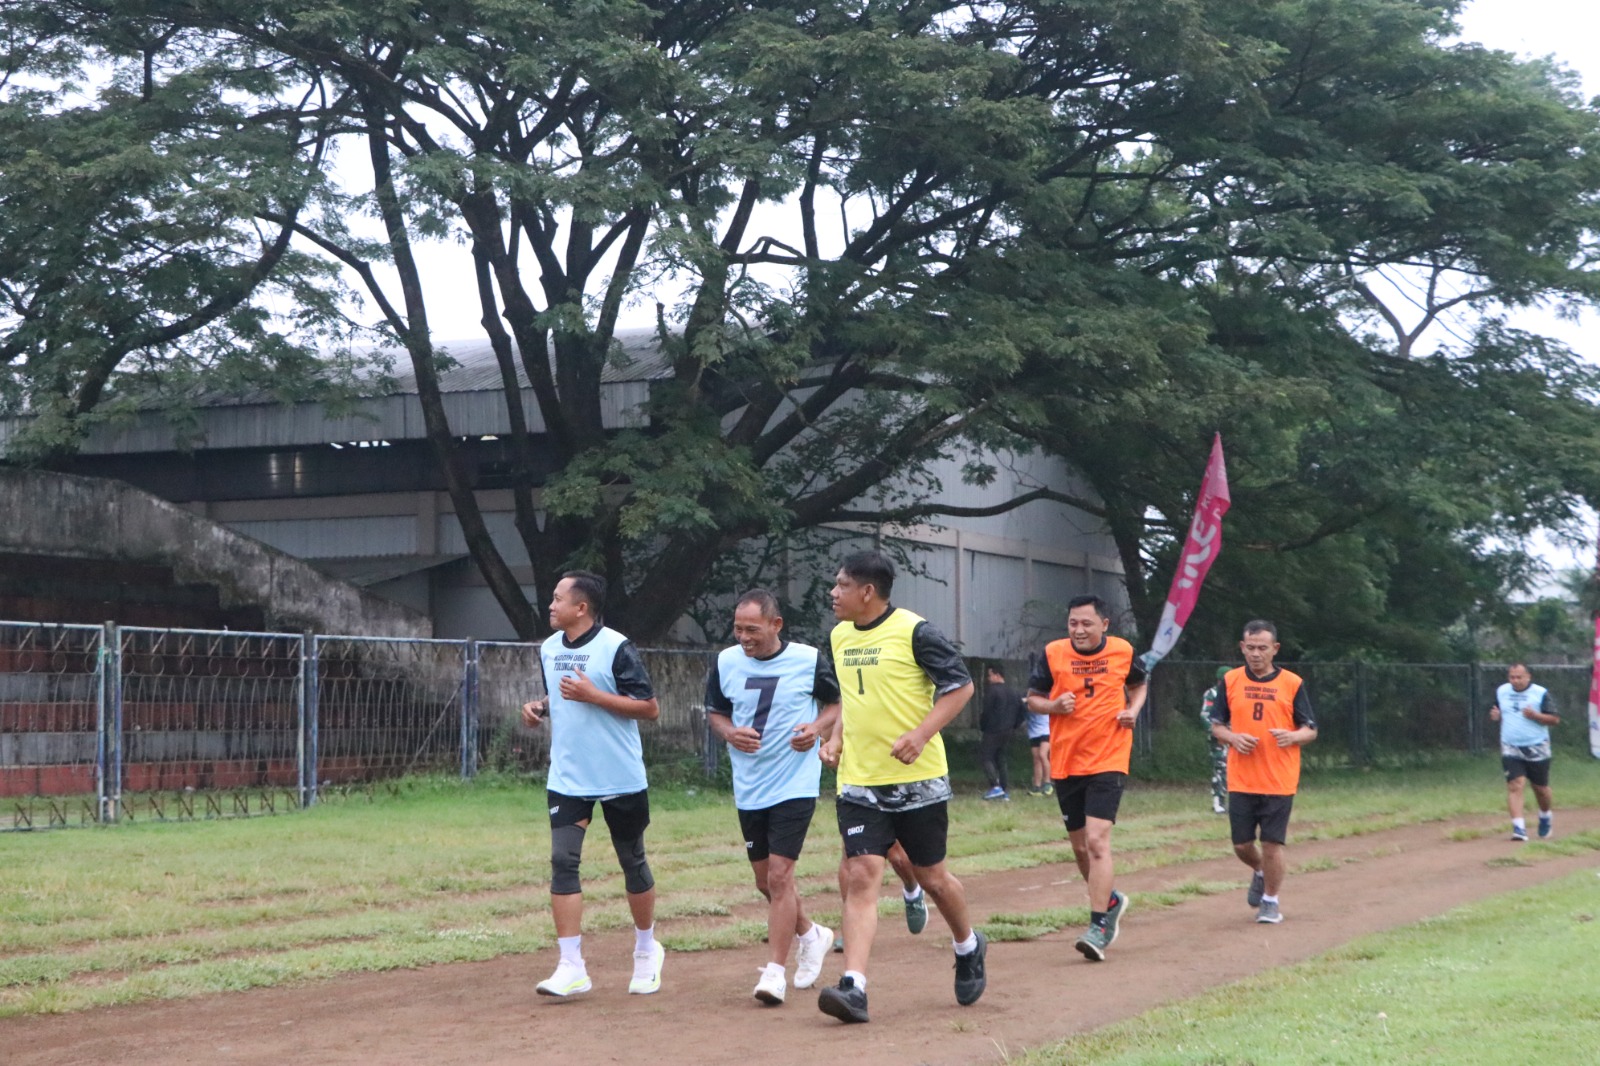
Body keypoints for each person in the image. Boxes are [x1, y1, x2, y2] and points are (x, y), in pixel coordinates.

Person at [816, 550, 987, 1023]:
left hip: (918, 781)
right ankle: (854, 987)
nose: (833, 593)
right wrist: (835, 739)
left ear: (867, 591)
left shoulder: (916, 632)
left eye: (841, 585)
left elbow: (961, 687)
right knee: (861, 874)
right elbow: (853, 698)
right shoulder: (839, 636)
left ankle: (968, 945)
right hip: (859, 783)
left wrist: (921, 734)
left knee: (932, 878)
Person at [520, 570, 665, 998]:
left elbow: (649, 708)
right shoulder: (549, 648)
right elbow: (561, 695)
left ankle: (646, 950)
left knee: (632, 861)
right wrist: (539, 707)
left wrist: (594, 696)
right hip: (568, 777)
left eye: (558, 598)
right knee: (563, 861)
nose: (550, 605)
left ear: (581, 608)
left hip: (619, 776)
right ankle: (571, 966)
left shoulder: (616, 647)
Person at [705, 589, 841, 1005]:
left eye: (752, 629)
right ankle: (811, 934)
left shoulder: (807, 659)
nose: (743, 637)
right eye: (738, 629)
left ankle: (774, 974)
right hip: (750, 786)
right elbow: (715, 712)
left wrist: (815, 729)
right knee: (765, 881)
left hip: (794, 783)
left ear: (776, 624)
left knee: (781, 876)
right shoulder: (726, 662)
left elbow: (836, 704)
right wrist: (730, 733)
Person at [1026, 594, 1147, 961]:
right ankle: (1110, 901)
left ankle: (1098, 925)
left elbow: (1139, 684)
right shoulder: (1053, 653)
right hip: (1067, 761)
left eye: (1086, 623)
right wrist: (1053, 705)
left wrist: (1133, 710)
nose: (1078, 630)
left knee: (1096, 841)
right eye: (1073, 623)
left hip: (1109, 757)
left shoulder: (1123, 651)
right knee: (1080, 849)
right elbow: (1032, 699)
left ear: (1104, 625)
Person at [1208, 620, 1317, 924]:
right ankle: (1259, 870)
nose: (1256, 654)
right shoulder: (1230, 681)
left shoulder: (1292, 683)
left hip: (1279, 779)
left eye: (1262, 648)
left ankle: (1270, 901)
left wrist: (1292, 736)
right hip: (1242, 778)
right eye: (1251, 648)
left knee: (1271, 844)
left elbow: (1310, 729)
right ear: (1242, 647)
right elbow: (1217, 726)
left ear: (1275, 649)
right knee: (1242, 845)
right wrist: (1233, 738)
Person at [1490, 662, 1559, 842]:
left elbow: (1554, 719)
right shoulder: (1502, 691)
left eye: (1519, 677)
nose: (1515, 680)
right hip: (1510, 746)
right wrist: (1496, 716)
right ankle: (1519, 828)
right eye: (1512, 677)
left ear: (1528, 677)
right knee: (1515, 784)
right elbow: (1499, 710)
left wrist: (1536, 716)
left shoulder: (1540, 693)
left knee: (1540, 788)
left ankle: (1545, 815)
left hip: (1537, 746)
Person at [979, 665, 1023, 800]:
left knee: (986, 757)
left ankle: (995, 786)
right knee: (1001, 758)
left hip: (993, 729)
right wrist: (1014, 725)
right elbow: (1022, 711)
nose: (988, 678)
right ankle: (1004, 789)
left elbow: (986, 711)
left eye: (990, 675)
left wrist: (983, 725)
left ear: (997, 675)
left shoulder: (992, 691)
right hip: (1008, 730)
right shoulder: (1014, 692)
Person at [1200, 666, 1231, 814]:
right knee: (1221, 768)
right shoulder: (1212, 694)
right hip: (1219, 739)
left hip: (1236, 737)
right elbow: (1206, 716)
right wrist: (1217, 733)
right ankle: (1218, 802)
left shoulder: (1235, 693)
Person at [1025, 702, 1052, 796]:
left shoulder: (1043, 698)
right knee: (1036, 759)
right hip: (1033, 732)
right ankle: (1037, 786)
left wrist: (1028, 703)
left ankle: (1048, 783)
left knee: (1043, 755)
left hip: (1046, 730)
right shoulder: (1027, 698)